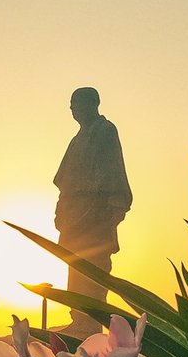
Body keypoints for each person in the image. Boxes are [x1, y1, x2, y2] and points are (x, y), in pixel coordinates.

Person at [54, 86, 132, 335]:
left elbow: (112, 171)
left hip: (94, 213)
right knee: (74, 266)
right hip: (74, 214)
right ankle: (79, 318)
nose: (73, 109)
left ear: (93, 104)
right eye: (71, 104)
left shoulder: (105, 131)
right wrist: (61, 209)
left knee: (93, 267)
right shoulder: (76, 139)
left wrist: (112, 208)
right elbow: (64, 180)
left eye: (78, 103)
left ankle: (90, 321)